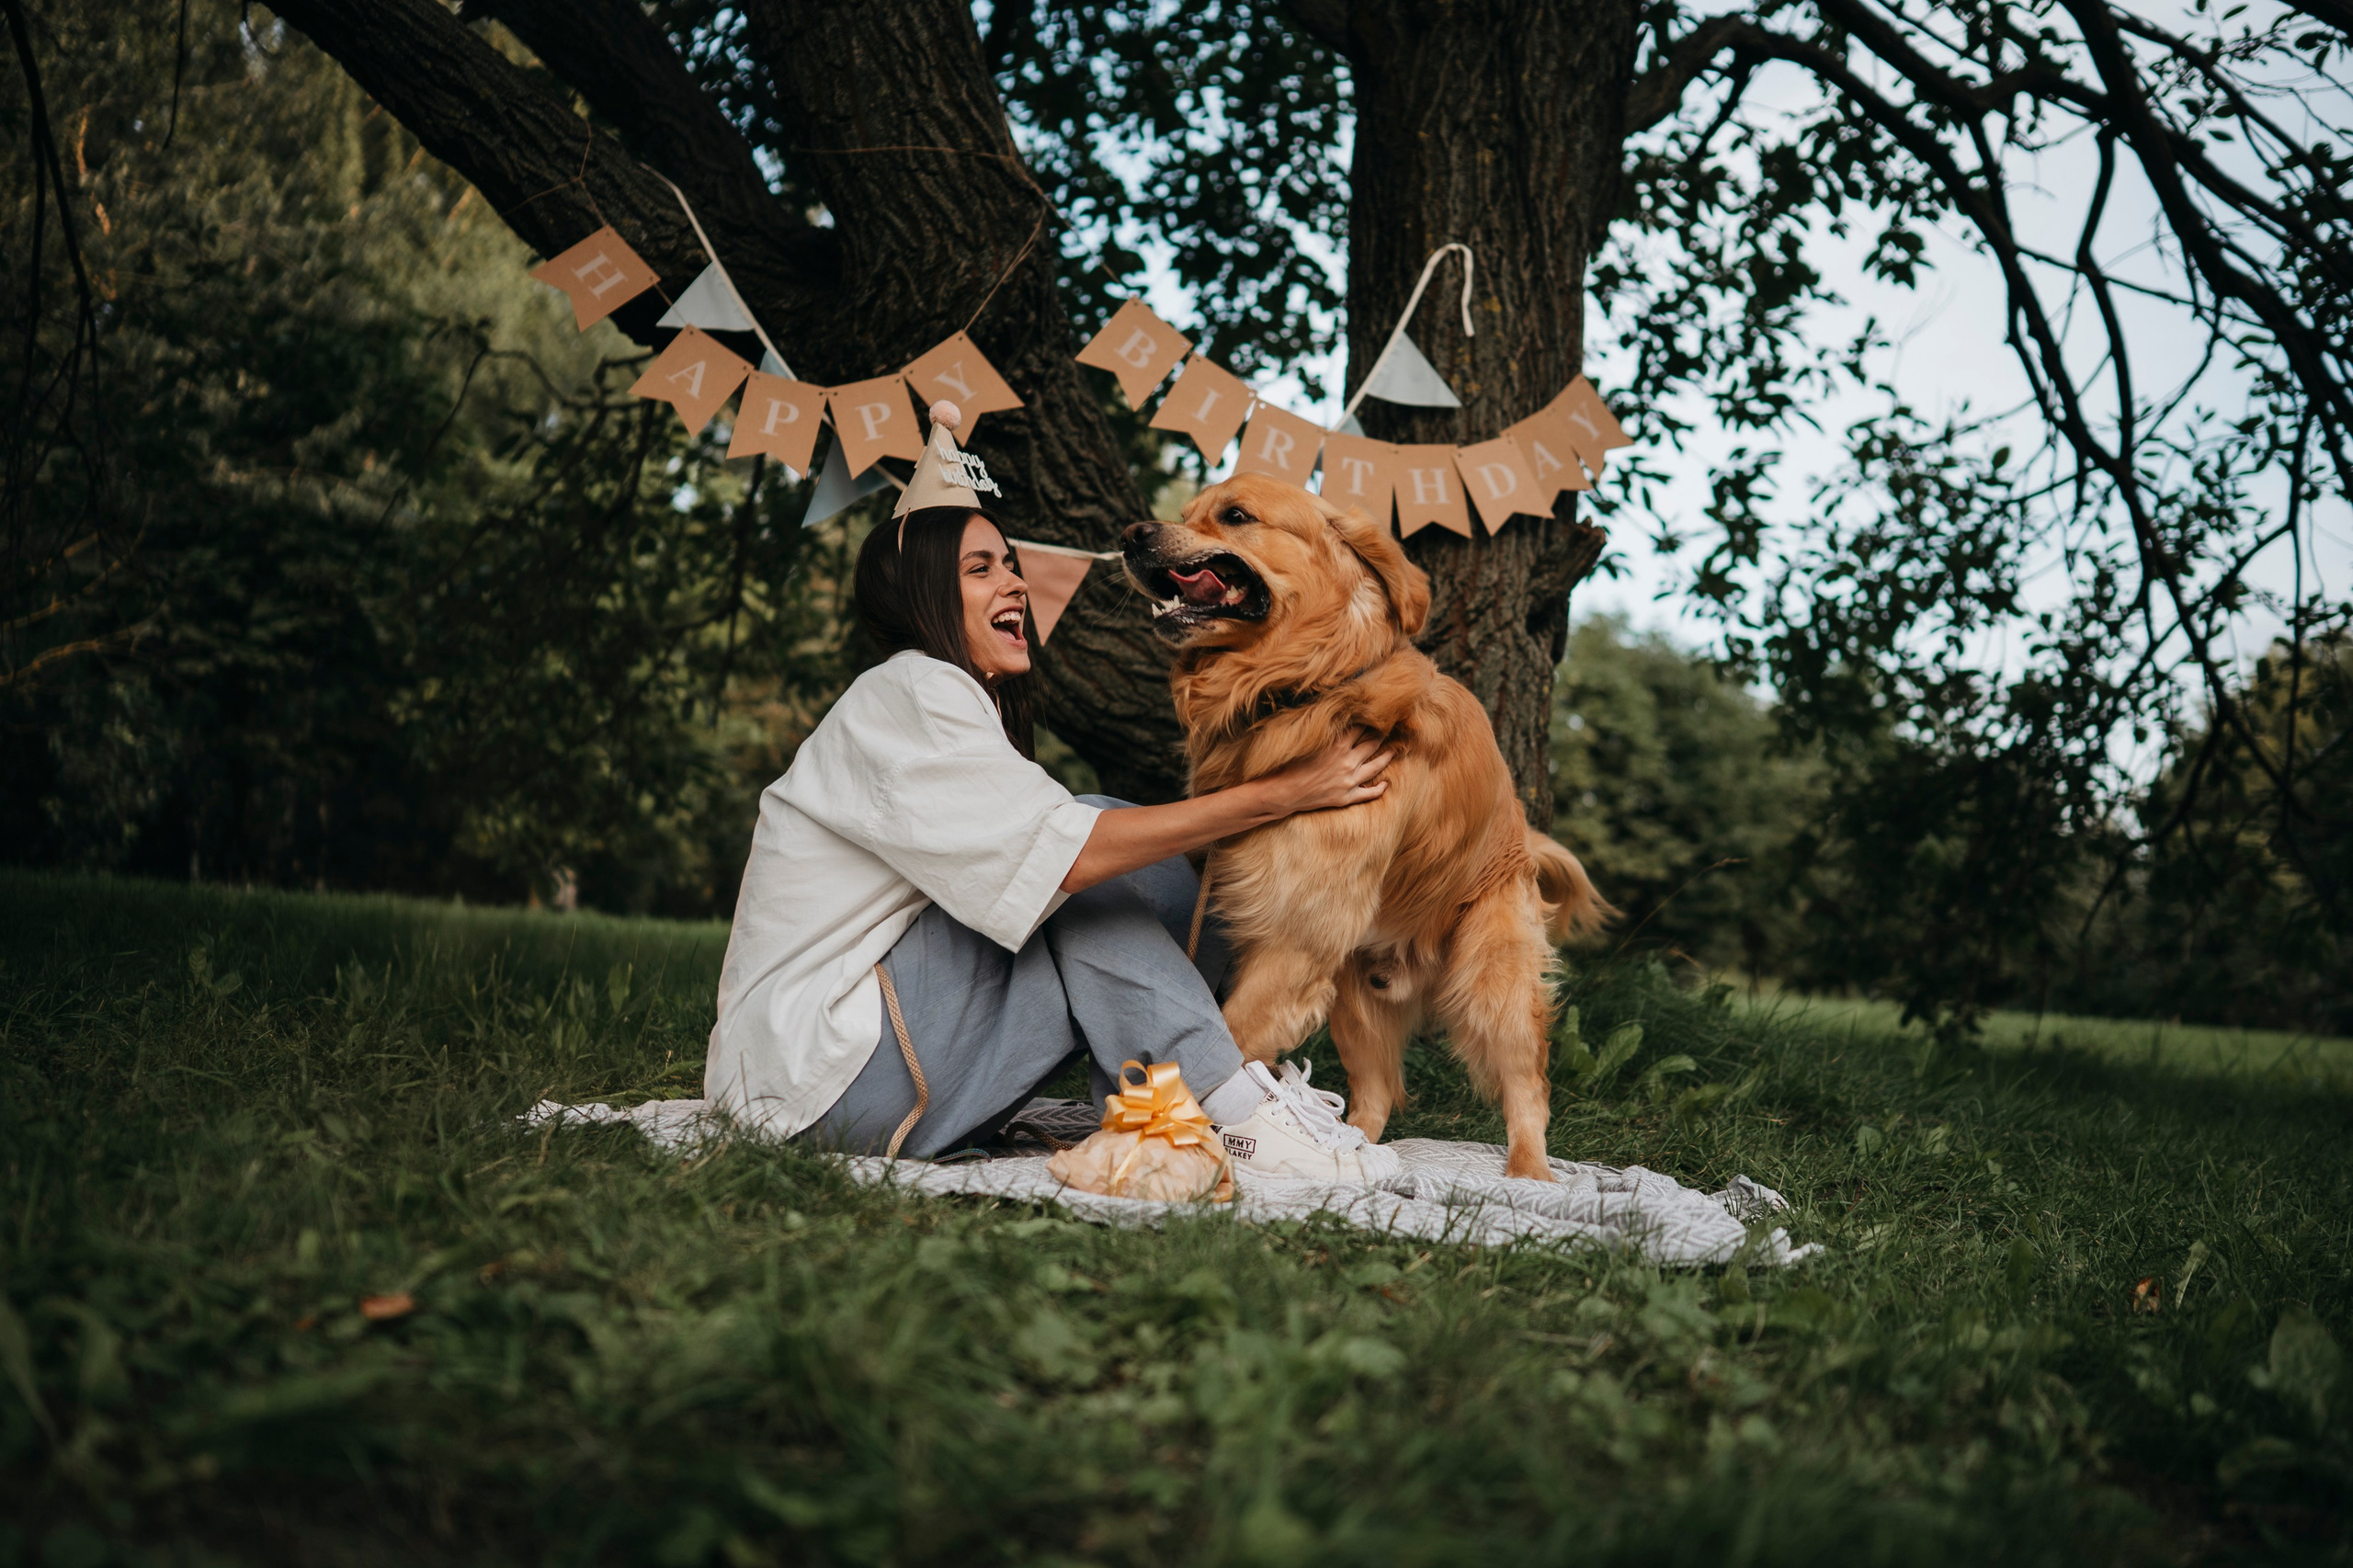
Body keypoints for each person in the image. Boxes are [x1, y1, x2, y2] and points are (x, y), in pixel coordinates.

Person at [706, 406, 1399, 1179]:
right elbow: (1068, 860)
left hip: (869, 1083)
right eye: (980, 570)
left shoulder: (952, 702)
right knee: (1096, 843)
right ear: (920, 598)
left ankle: (1168, 1112)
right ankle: (1230, 1107)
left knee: (1157, 864)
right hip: (823, 1083)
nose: (1015, 584)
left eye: (1010, 564)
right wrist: (1286, 793)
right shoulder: (907, 688)